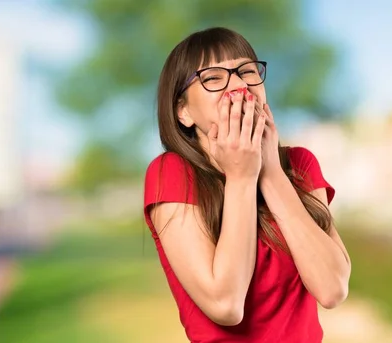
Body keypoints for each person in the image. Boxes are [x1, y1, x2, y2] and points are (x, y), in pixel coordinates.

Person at [143, 27, 351, 342]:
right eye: (213, 77)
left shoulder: (299, 164)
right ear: (182, 111)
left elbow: (332, 289)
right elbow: (225, 304)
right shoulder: (171, 173)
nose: (239, 84)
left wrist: (270, 172)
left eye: (247, 71)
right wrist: (241, 176)